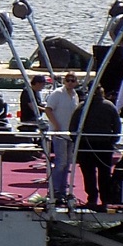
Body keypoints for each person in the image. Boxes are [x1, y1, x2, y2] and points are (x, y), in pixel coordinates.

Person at [69, 84, 122, 209]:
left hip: (85, 144)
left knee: (88, 174)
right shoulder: (109, 106)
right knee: (105, 173)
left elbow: (72, 127)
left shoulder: (82, 107)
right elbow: (117, 126)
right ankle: (105, 199)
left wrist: (77, 141)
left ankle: (92, 198)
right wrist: (112, 140)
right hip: (104, 144)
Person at [43, 72, 80, 201]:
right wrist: (56, 125)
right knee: (61, 162)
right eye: (67, 80)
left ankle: (63, 190)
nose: (70, 82)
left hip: (70, 134)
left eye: (72, 80)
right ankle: (54, 189)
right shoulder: (57, 93)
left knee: (68, 163)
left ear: (76, 82)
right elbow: (48, 109)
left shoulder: (75, 95)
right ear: (64, 81)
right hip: (59, 133)